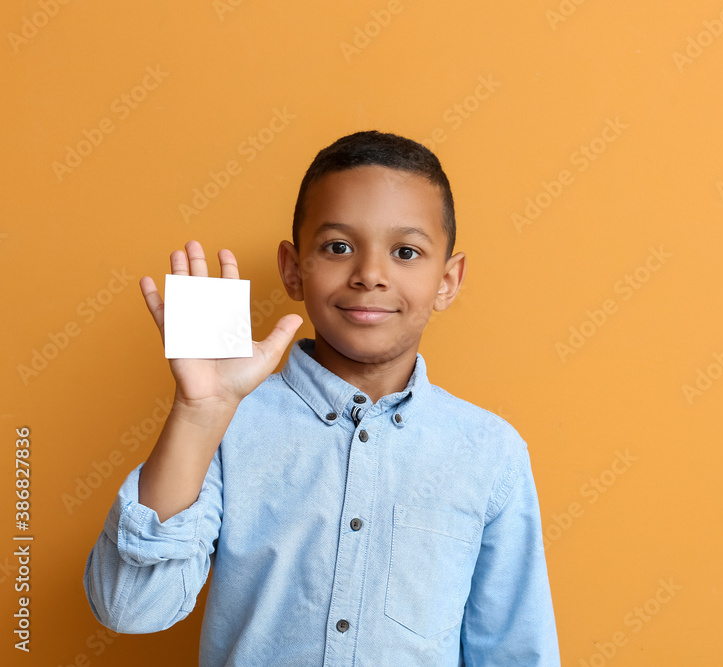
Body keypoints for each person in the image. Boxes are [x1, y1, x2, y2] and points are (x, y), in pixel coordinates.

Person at [83, 131, 560, 666]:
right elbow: (130, 609)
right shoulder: (228, 426)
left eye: (405, 252)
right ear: (292, 268)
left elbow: (516, 652)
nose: (370, 276)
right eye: (338, 247)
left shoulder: (490, 452)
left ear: (447, 281)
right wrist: (200, 414)